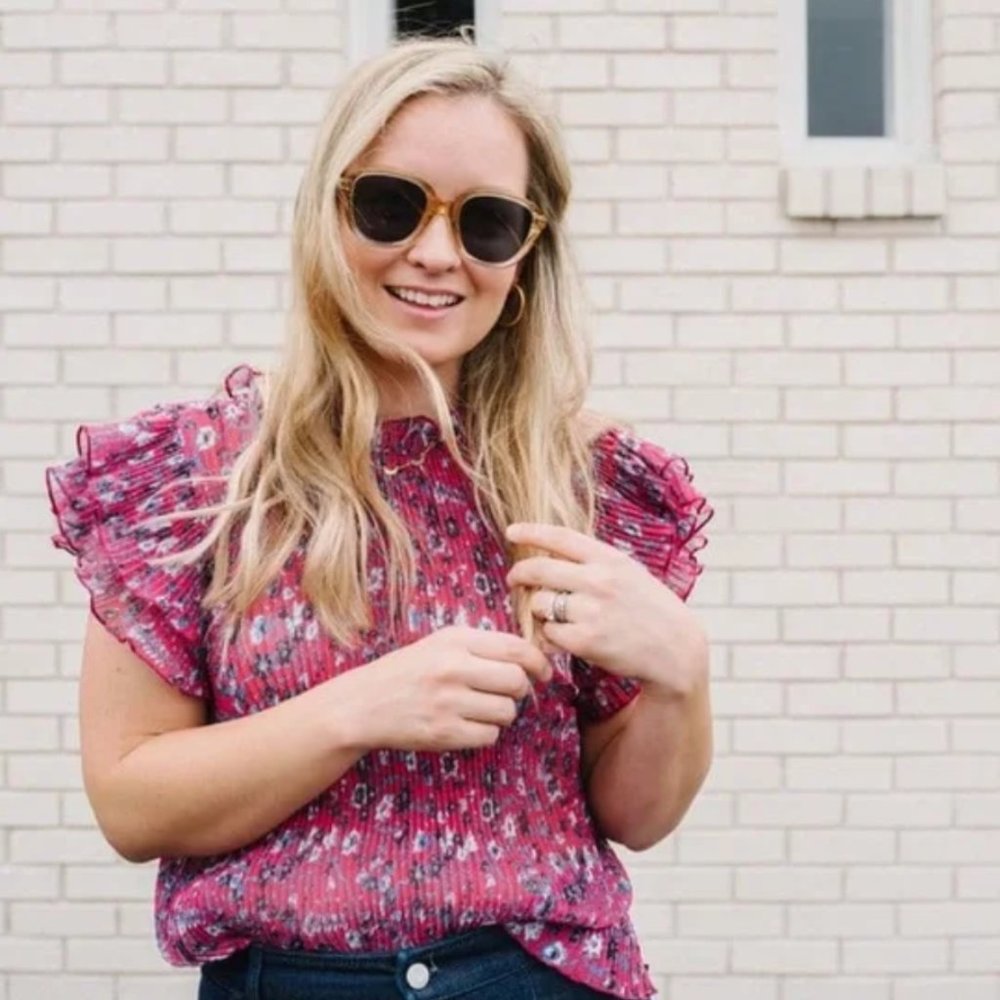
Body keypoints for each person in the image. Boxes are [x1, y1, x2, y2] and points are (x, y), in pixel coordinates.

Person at [45, 37, 714, 1000]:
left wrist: (684, 675)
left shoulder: (591, 482)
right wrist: (360, 711)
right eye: (393, 205)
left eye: (488, 223)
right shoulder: (194, 479)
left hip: (537, 977)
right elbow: (131, 801)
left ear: (525, 256)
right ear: (329, 211)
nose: (437, 254)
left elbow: (634, 813)